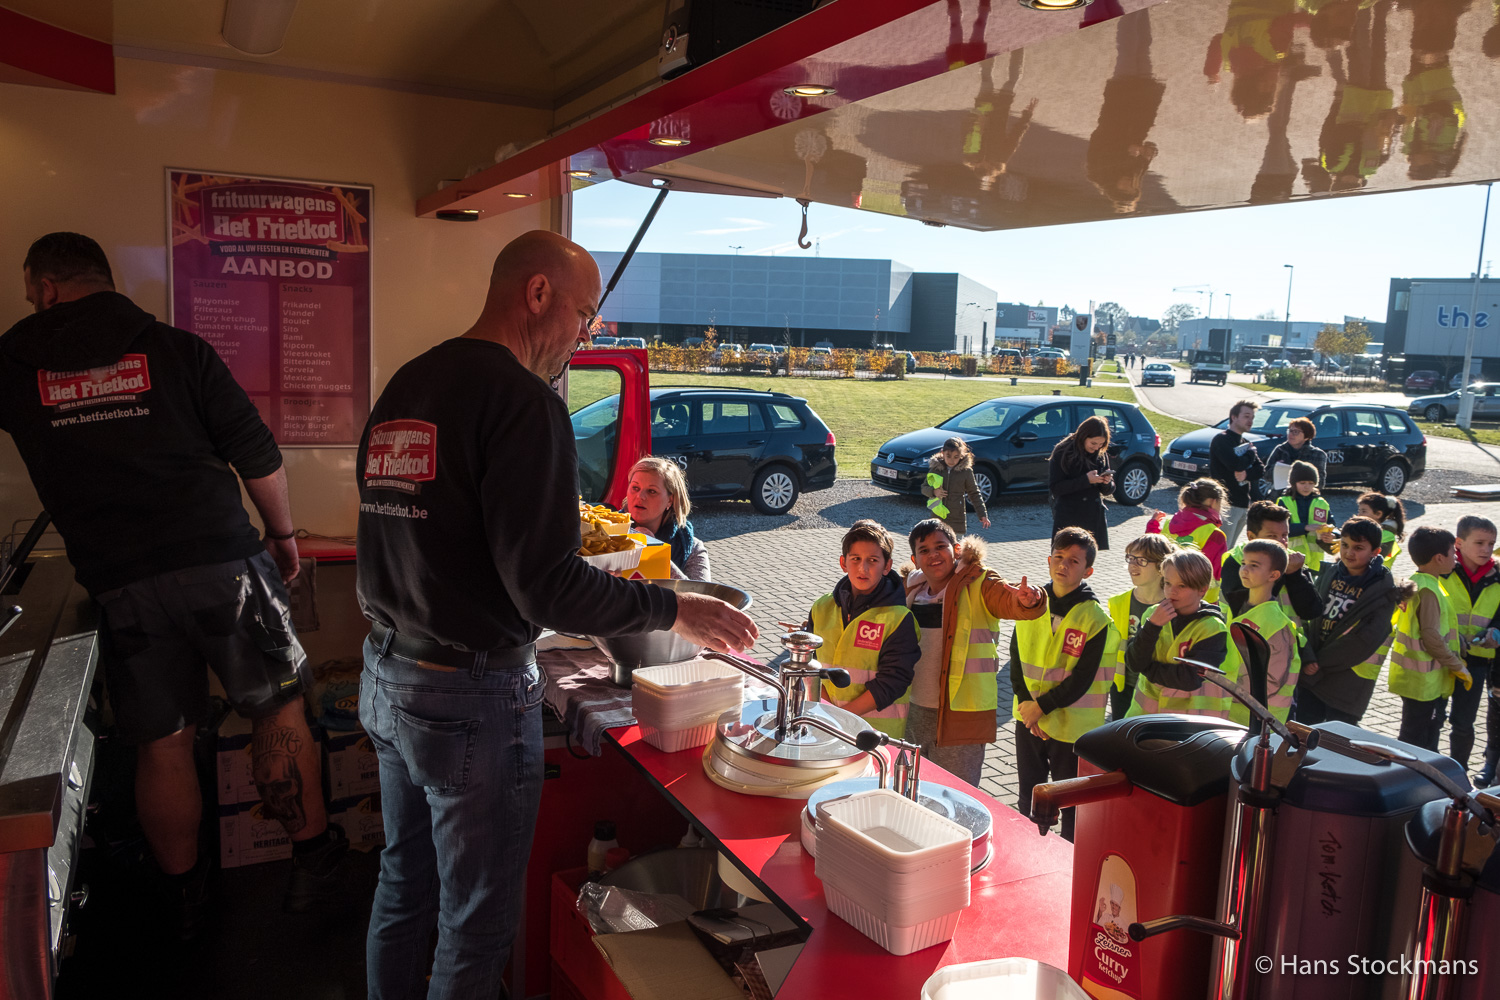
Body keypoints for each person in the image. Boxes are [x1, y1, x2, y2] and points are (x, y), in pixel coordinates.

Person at [354, 230, 757, 999]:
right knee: (473, 930)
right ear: (536, 294)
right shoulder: (521, 402)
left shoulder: (409, 383)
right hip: (467, 696)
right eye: (583, 313)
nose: (586, 335)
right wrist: (677, 610)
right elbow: (549, 588)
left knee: (403, 889)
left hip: (388, 672)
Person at [0, 233, 343, 938]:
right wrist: (282, 540)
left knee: (164, 740)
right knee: (275, 709)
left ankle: (183, 896)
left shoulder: (12, 362)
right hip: (223, 564)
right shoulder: (173, 347)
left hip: (121, 582)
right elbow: (257, 457)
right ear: (102, 279)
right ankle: (312, 866)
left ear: (45, 287)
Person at [900, 519, 1045, 786]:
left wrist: (1028, 601)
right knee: (914, 792)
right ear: (915, 559)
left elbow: (1007, 600)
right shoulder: (910, 588)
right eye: (924, 550)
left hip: (961, 717)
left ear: (956, 550)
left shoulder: (979, 581)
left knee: (954, 797)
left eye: (940, 546)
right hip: (914, 712)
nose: (933, 554)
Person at [1011, 528, 1119, 842]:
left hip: (1071, 730)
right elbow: (1016, 661)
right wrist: (1025, 707)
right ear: (1048, 560)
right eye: (1058, 557)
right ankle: (1027, 850)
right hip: (1028, 720)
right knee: (1028, 797)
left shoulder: (1095, 618)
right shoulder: (1032, 604)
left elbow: (1083, 678)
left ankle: (1066, 859)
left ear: (1088, 571)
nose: (1063, 565)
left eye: (1074, 561)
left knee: (1070, 804)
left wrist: (1039, 709)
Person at [807, 520, 920, 737]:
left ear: (887, 566)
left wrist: (840, 718)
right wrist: (827, 712)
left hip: (874, 736)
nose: (863, 568)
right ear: (843, 563)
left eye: (873, 560)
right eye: (856, 559)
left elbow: (893, 681)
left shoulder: (899, 618)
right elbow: (811, 667)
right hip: (825, 724)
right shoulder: (821, 607)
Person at [1294, 517, 1411, 726]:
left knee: (1337, 744)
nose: (1349, 553)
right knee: (1302, 736)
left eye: (1359, 548)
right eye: (1345, 545)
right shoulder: (1329, 573)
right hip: (1312, 676)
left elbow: (1365, 639)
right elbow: (1309, 619)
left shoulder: (1382, 589)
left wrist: (1318, 664)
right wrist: (1308, 657)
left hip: (1347, 682)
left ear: (1376, 551)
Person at [1125, 550, 1238, 718]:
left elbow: (1189, 679)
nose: (1171, 591)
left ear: (1202, 590)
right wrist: (1153, 626)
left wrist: (1146, 668)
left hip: (1186, 724)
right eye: (1168, 583)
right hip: (1145, 717)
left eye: (1182, 586)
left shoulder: (1212, 627)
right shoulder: (1153, 614)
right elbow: (1133, 663)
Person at [1390, 526, 1472, 752]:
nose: (1456, 557)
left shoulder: (1419, 582)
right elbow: (1431, 636)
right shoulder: (1429, 590)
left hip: (1416, 681)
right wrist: (1458, 667)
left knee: (1415, 736)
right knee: (1419, 743)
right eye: (1453, 553)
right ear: (1439, 558)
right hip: (1425, 685)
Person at [1443, 515, 1500, 774]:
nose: (1487, 549)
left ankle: (1459, 772)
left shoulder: (1498, 575)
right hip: (1440, 659)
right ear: (1459, 542)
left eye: (1491, 543)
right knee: (1433, 720)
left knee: (1464, 722)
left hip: (1477, 661)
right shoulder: (1442, 569)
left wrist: (1495, 633)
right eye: (1479, 542)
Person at [1231, 539, 1304, 726]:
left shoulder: (1277, 623)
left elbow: (1271, 681)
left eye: (1254, 565)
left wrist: (1223, 689)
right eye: (1243, 563)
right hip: (1235, 717)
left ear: (1274, 575)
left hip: (1259, 726)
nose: (1244, 570)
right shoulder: (1236, 607)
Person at [1107, 534, 1176, 721]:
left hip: (1157, 690)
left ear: (1162, 567)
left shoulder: (1173, 606)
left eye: (1142, 561)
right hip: (1123, 686)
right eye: (1130, 558)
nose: (1133, 566)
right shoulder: (1118, 602)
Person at [1219, 500, 1324, 622]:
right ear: (1251, 537)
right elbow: (1247, 610)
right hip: (1247, 639)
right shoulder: (1236, 562)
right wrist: (1280, 575)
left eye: (1285, 535)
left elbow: (1312, 611)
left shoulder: (1293, 560)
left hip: (1288, 638)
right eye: (1272, 536)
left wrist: (1295, 575)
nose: (1281, 541)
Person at [623, 456, 709, 581]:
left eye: (652, 491)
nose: (640, 496)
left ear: (670, 500)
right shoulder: (602, 537)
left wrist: (655, 551)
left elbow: (702, 596)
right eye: (635, 488)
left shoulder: (693, 548)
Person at [1147, 478, 1229, 604]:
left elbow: (1153, 550)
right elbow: (1216, 573)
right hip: (1200, 601)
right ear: (1213, 502)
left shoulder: (1169, 524)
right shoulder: (1214, 534)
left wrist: (1153, 527)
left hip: (1167, 595)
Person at [1048, 415, 1114, 550]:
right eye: (1093, 443)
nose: (1096, 448)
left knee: (1086, 563)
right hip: (1069, 517)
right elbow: (1056, 488)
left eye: (1101, 444)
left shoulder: (1101, 454)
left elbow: (1108, 490)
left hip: (1093, 516)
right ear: (1083, 436)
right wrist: (1086, 480)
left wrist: (1106, 482)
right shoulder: (1063, 451)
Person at [1209, 399, 1265, 546]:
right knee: (1221, 549)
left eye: (1252, 417)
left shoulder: (1245, 442)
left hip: (1243, 503)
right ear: (1234, 417)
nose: (1250, 421)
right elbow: (1235, 464)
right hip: (1225, 504)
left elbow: (1260, 469)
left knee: (1231, 549)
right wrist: (1250, 454)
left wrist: (1246, 474)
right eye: (1246, 416)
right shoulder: (1222, 440)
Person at [921, 437, 990, 536]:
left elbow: (974, 493)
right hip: (937, 518)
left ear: (961, 456)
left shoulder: (966, 472)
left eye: (956, 457)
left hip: (957, 520)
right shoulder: (936, 469)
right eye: (948, 456)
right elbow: (924, 488)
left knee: (955, 549)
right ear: (942, 453)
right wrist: (933, 492)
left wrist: (982, 514)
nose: (951, 460)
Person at [1278, 461, 1336, 567]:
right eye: (1302, 483)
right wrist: (1305, 527)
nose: (1307, 487)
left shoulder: (1321, 503)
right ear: (1293, 483)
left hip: (1315, 561)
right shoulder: (1284, 501)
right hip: (1292, 559)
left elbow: (1332, 525)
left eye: (1311, 483)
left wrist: (1332, 535)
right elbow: (1279, 530)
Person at [1265, 416, 1329, 489]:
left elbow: (1320, 483)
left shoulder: (1317, 454)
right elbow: (1266, 476)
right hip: (1280, 496)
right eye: (1290, 431)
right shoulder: (1280, 449)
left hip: (1305, 497)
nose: (1291, 434)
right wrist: (1277, 468)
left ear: (1307, 436)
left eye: (1296, 432)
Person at [1358, 492, 1407, 564]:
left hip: (1377, 574)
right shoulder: (1369, 530)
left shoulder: (1385, 534)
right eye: (1359, 511)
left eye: (1364, 511)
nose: (1359, 515)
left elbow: (1370, 560)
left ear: (1378, 514)